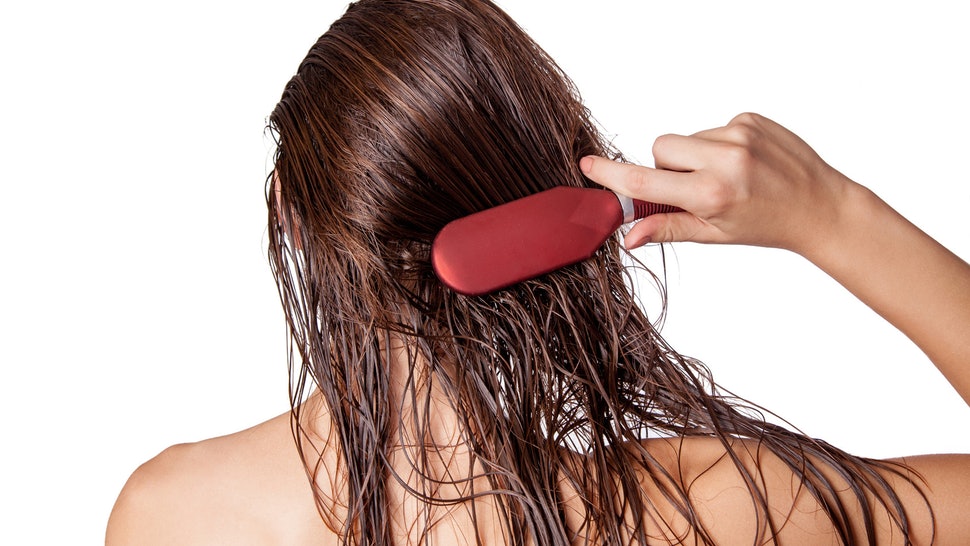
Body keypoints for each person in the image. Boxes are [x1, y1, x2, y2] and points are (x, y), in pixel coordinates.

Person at [106, 0, 970, 544]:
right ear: (561, 206)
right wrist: (832, 214)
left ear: (293, 218)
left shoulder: (174, 514)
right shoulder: (704, 511)